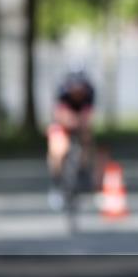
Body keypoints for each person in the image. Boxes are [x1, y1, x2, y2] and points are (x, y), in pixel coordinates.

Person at [46, 70, 96, 210]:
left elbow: (89, 114)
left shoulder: (89, 93)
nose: (77, 92)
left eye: (80, 89)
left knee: (87, 137)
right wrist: (68, 121)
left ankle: (84, 171)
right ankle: (56, 183)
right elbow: (58, 113)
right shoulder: (63, 92)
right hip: (62, 121)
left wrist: (83, 124)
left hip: (80, 119)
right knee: (58, 150)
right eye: (75, 89)